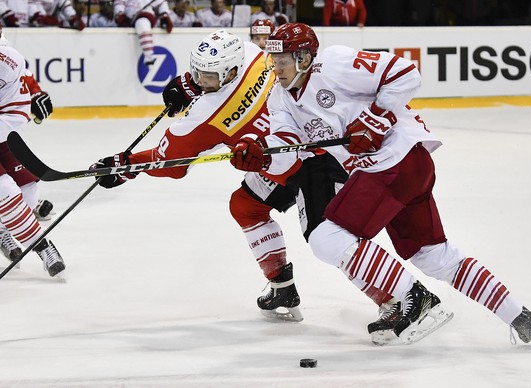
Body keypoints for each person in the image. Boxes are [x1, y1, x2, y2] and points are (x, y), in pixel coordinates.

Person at [230, 22, 531, 346]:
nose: (276, 68)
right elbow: (289, 145)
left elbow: (405, 73)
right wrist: (261, 155)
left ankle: (416, 299)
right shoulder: (280, 97)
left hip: (395, 162)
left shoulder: (335, 63)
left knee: (325, 235)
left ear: (303, 57)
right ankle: (521, 317)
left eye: (283, 60)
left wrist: (374, 119)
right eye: (273, 62)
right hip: (402, 171)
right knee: (432, 255)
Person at [91, 29, 356, 325]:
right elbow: (217, 82)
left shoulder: (203, 116)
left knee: (326, 238)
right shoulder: (253, 55)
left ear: (230, 71)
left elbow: (172, 165)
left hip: (303, 165)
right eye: (198, 72)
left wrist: (126, 165)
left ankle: (392, 292)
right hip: (304, 141)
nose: (201, 81)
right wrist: (189, 85)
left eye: (208, 77)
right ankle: (282, 288)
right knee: (245, 206)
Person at [0, 26, 65, 277]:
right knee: (5, 191)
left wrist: (36, 93)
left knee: (28, 193)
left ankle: (4, 230)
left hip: (4, 131)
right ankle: (44, 247)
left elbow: (22, 74)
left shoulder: (9, 58)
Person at [113, 0, 173, 65]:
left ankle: (149, 56)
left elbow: (161, 3)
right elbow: (119, 4)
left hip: (146, 15)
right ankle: (149, 55)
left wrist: (164, 15)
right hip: (130, 19)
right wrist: (120, 14)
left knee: (143, 23)